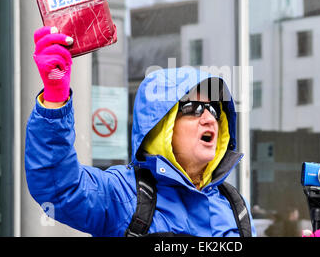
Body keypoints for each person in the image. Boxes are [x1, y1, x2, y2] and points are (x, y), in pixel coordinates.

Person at [25, 26, 256, 237]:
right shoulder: (122, 194)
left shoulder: (235, 206)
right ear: (160, 126)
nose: (209, 119)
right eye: (193, 108)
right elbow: (60, 187)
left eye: (214, 110)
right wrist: (55, 99)